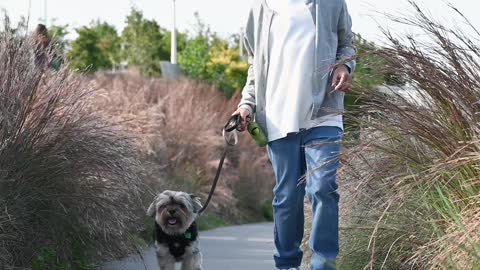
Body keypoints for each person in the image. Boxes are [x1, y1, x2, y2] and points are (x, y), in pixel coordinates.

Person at [232, 0, 356, 269]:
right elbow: (256, 65)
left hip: (324, 111)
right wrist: (246, 103)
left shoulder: (331, 3)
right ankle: (287, 263)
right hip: (277, 116)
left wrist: (344, 67)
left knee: (323, 186)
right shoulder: (260, 9)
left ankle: (323, 263)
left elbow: (347, 44)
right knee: (287, 197)